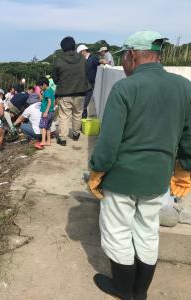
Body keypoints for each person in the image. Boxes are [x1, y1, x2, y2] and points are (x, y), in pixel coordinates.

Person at [88, 31, 191, 300]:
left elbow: (109, 142)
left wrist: (97, 170)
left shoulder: (125, 88)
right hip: (158, 178)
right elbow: (189, 135)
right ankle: (140, 291)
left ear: (132, 55)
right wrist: (185, 169)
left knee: (118, 232)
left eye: (123, 56)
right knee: (147, 231)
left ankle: (123, 290)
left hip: (122, 179)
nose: (122, 62)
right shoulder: (184, 87)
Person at [52, 36, 90, 146]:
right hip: (81, 91)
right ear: (74, 45)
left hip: (65, 92)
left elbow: (55, 78)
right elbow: (85, 73)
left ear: (62, 47)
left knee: (64, 115)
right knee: (77, 114)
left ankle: (63, 139)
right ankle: (76, 134)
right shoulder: (82, 58)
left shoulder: (58, 60)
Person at [77, 44, 106, 118]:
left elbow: (99, 61)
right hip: (82, 85)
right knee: (82, 104)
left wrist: (104, 61)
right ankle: (82, 122)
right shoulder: (82, 60)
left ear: (83, 51)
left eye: (80, 53)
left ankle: (82, 121)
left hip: (90, 85)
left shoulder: (92, 58)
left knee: (84, 104)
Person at [38, 77, 55, 147]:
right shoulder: (51, 90)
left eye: (40, 86)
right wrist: (41, 94)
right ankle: (48, 141)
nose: (40, 88)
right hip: (51, 112)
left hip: (46, 112)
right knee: (48, 127)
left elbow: (49, 102)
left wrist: (45, 112)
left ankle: (43, 141)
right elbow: (50, 101)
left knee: (43, 127)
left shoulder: (47, 91)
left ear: (44, 84)